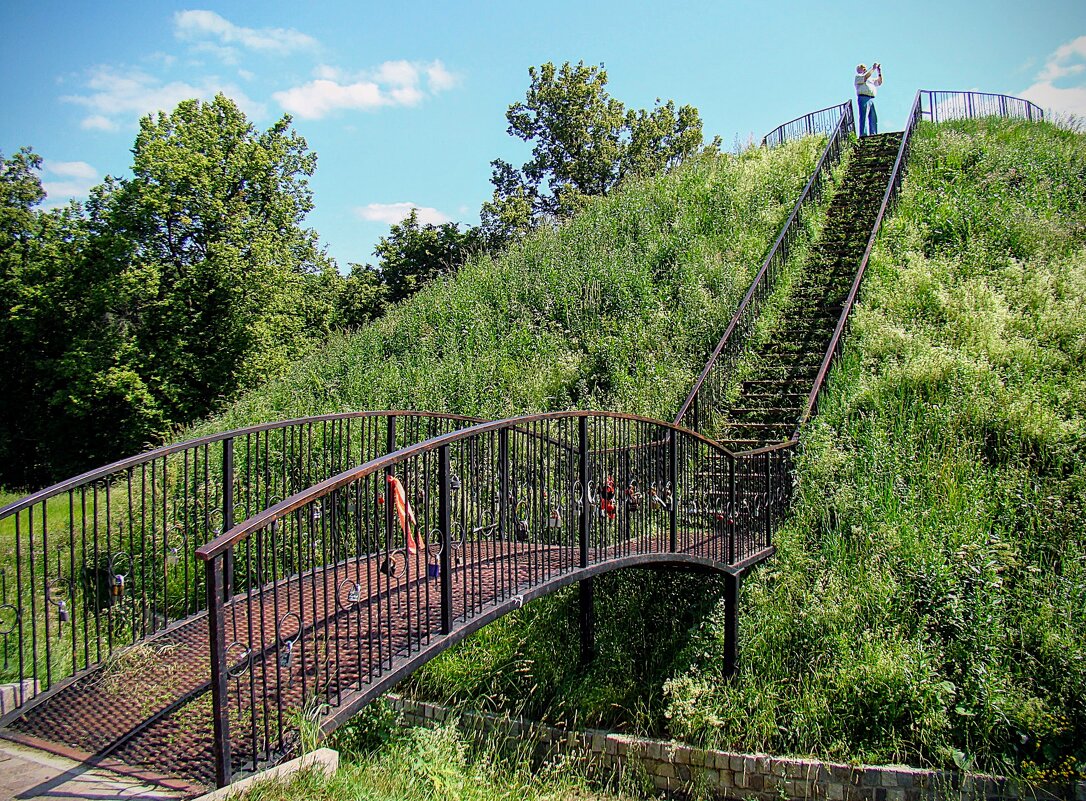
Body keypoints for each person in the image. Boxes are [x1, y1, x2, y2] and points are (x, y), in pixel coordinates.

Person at [855, 62, 883, 137]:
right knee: (863, 116)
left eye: (864, 67)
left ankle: (873, 133)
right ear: (859, 70)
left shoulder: (871, 79)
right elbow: (865, 77)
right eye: (861, 68)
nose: (864, 69)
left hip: (871, 98)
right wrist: (873, 68)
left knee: (873, 117)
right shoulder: (858, 77)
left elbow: (879, 82)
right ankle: (863, 134)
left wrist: (879, 72)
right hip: (863, 97)